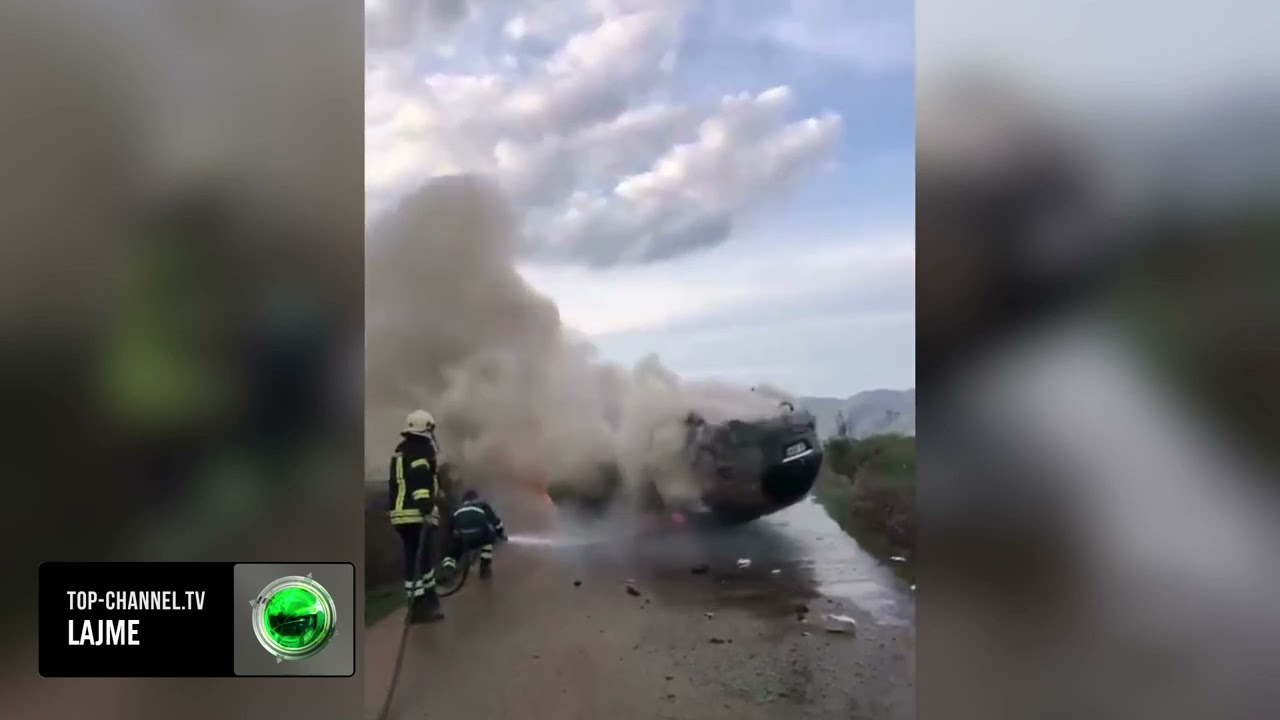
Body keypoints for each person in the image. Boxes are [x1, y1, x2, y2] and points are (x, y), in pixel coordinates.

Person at [388, 409, 445, 624]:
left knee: (417, 558)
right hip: (415, 513)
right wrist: (425, 504)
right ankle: (419, 607)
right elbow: (420, 479)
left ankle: (426, 599)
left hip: (401, 515)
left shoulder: (402, 451)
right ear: (426, 428)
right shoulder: (420, 450)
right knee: (419, 559)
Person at [443, 489, 506, 580]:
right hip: (479, 536)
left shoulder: (457, 510)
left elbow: (450, 528)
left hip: (463, 538)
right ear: (476, 498)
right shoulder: (483, 505)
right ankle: (484, 566)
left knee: (451, 553)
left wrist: (453, 540)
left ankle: (448, 570)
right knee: (489, 539)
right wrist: (500, 535)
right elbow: (496, 523)